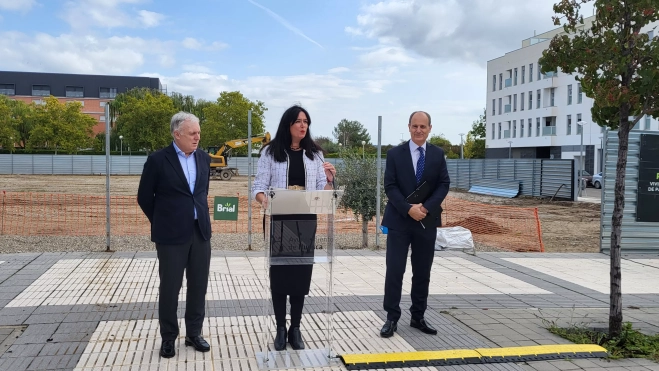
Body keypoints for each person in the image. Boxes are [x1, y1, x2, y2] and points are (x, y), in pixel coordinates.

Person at [252, 105, 336, 351]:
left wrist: (330, 180)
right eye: (298, 121)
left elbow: (324, 192)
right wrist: (267, 202)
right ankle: (280, 327)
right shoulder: (270, 152)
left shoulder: (315, 154)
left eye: (306, 122)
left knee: (300, 275)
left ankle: (296, 328)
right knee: (280, 275)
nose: (303, 126)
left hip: (306, 220)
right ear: (288, 124)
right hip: (280, 220)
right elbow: (258, 186)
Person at [137, 112, 212, 358]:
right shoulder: (158, 160)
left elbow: (201, 193)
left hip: (199, 232)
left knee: (198, 285)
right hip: (170, 236)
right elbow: (144, 197)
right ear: (176, 134)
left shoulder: (203, 158)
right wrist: (163, 221)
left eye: (199, 132)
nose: (197, 137)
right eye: (192, 133)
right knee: (170, 287)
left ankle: (194, 333)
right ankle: (168, 337)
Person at [379, 111, 450, 338]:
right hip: (400, 220)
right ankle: (391, 318)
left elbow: (443, 184)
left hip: (425, 221)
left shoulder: (438, 155)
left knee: (422, 272)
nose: (418, 130)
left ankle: (418, 316)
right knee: (395, 270)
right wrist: (408, 208)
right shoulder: (394, 154)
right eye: (415, 126)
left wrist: (426, 208)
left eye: (423, 126)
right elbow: (390, 186)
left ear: (430, 128)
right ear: (408, 127)